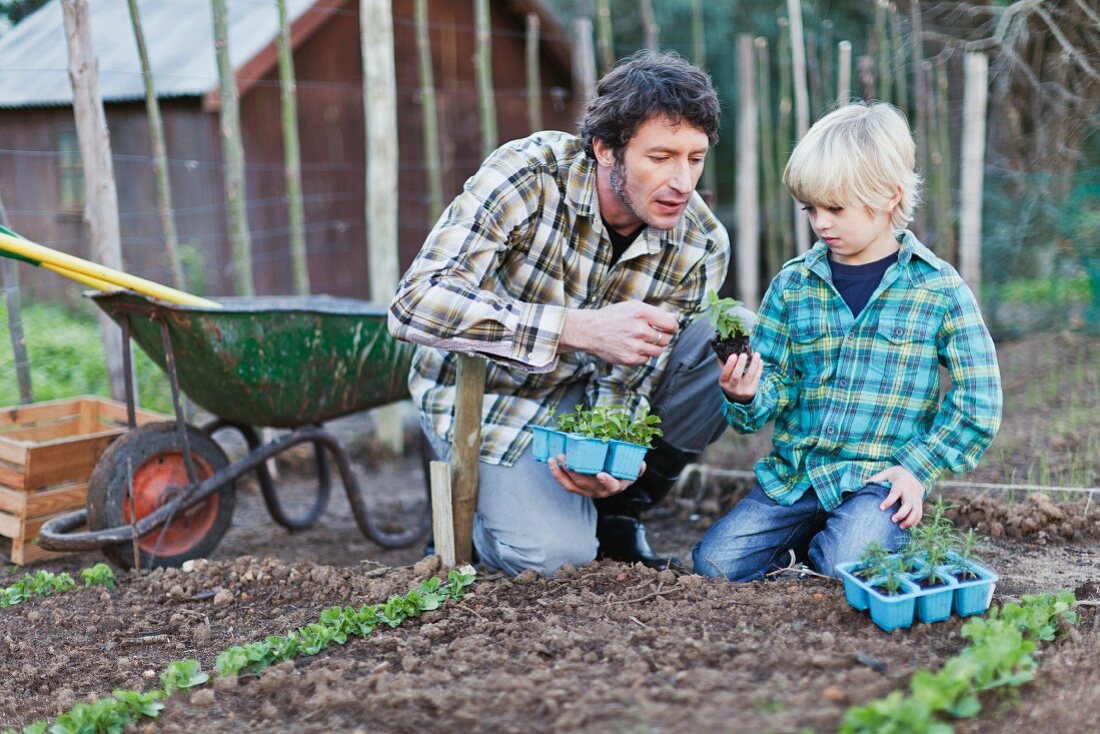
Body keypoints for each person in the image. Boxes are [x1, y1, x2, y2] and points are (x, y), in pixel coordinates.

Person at [389, 51, 747, 576]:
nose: (682, 182)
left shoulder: (701, 241)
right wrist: (573, 328)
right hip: (489, 396)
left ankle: (619, 511)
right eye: (661, 157)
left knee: (730, 333)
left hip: (586, 399)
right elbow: (415, 302)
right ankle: (470, 519)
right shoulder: (529, 177)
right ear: (606, 149)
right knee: (556, 559)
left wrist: (612, 457)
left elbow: (632, 377)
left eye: (694, 158)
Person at [693, 101, 1003, 581]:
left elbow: (978, 398)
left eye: (835, 208)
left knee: (850, 563)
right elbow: (775, 383)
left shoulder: (937, 288)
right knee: (714, 563)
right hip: (797, 478)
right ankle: (814, 540)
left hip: (879, 482)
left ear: (890, 196)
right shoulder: (794, 284)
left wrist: (916, 469)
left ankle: (851, 539)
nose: (820, 223)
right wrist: (746, 393)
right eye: (810, 208)